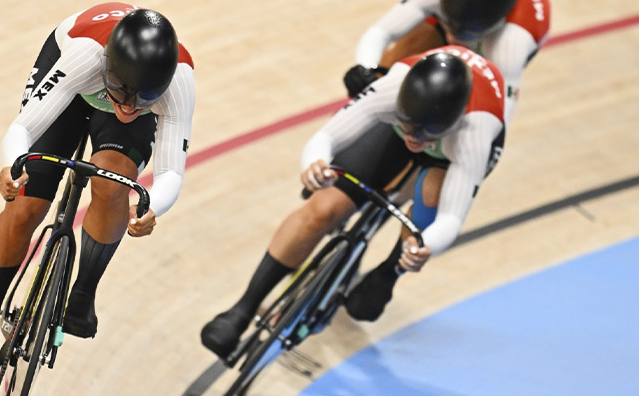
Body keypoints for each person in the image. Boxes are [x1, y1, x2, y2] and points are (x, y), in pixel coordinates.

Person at [201, 45, 506, 359]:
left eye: (425, 133)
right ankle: (243, 308)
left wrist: (422, 249)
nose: (415, 137)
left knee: (429, 192)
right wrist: (316, 164)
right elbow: (326, 138)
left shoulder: (475, 133)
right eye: (407, 123)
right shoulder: (391, 87)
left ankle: (389, 272)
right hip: (398, 130)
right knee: (324, 208)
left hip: (450, 155)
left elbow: (451, 218)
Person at [0, 3, 196, 384]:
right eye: (121, 92)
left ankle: (83, 291)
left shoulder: (179, 80)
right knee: (25, 206)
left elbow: (171, 171)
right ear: (107, 68)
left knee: (114, 181)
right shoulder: (85, 55)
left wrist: (153, 206)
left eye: (144, 99)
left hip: (111, 85)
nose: (128, 107)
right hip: (74, 88)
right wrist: (12, 167)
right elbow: (22, 129)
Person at [343, 0, 550, 127]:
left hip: (494, 47)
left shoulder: (512, 43)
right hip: (468, 18)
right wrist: (366, 71)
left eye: (463, 34)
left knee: (458, 109)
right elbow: (380, 32)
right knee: (403, 53)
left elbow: (497, 121)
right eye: (449, 25)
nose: (451, 39)